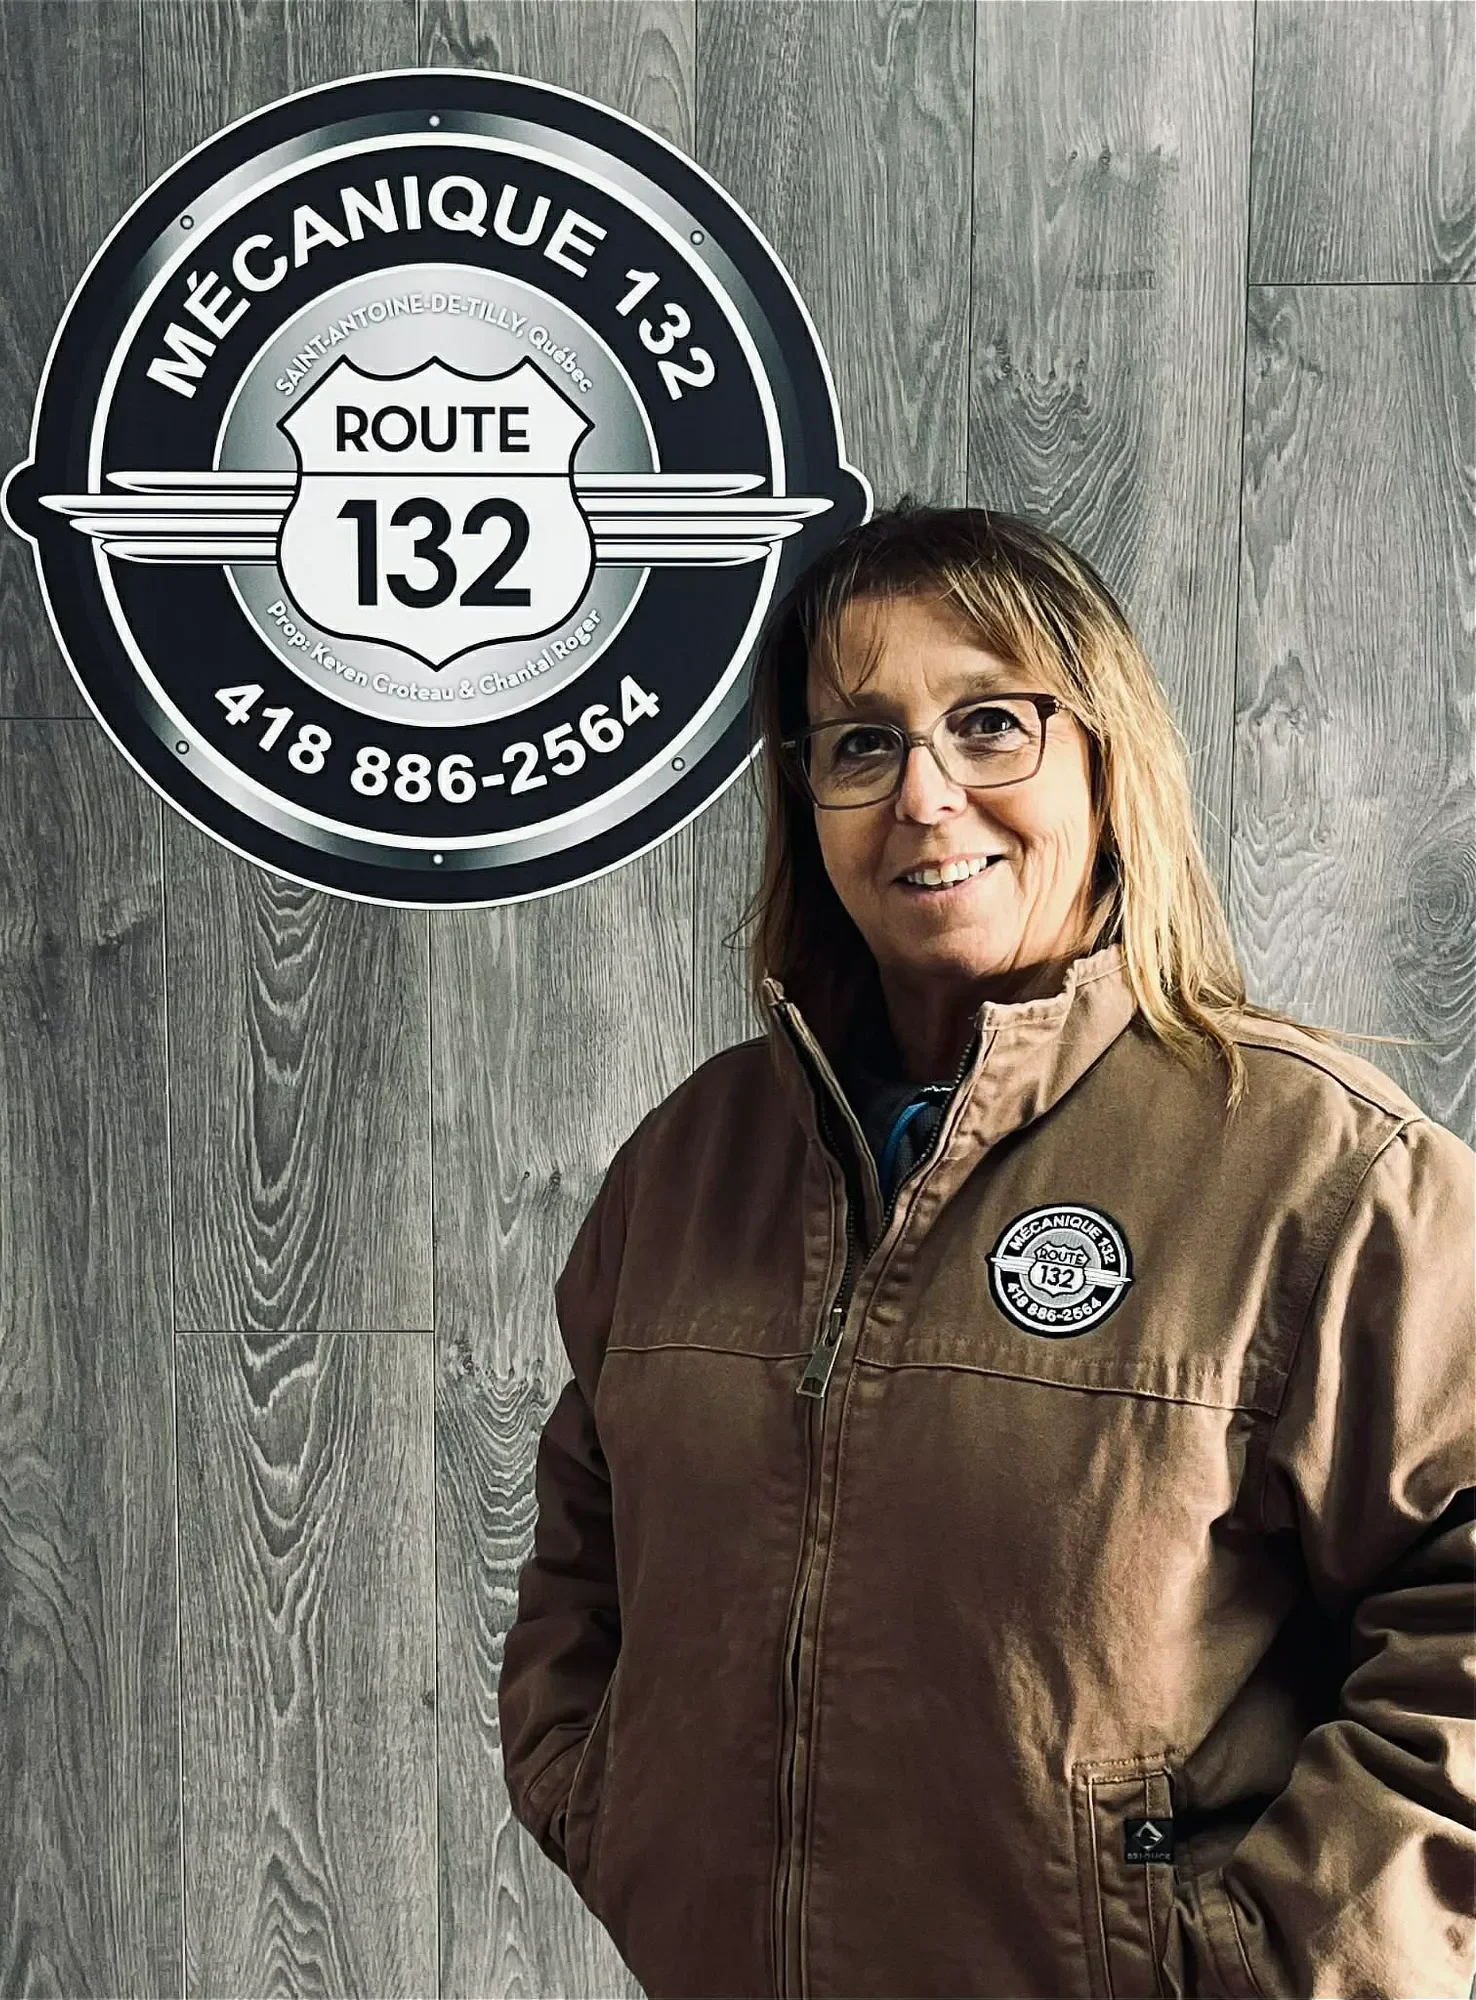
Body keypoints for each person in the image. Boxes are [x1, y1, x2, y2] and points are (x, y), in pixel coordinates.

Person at [498, 500, 1476, 2000]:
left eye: (992, 723)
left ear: (1103, 757)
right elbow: (586, 1552)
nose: (926, 795)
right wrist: (618, 1804)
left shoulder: (1324, 1173)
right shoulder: (689, 1167)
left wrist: (1267, 1972)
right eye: (859, 743)